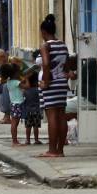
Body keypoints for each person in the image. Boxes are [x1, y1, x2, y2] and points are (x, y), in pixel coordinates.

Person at [38, 14, 70, 158]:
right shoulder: (62, 44)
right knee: (61, 115)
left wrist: (46, 81)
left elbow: (45, 63)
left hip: (51, 84)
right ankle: (60, 150)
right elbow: (67, 63)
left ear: (44, 32)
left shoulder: (46, 45)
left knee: (51, 115)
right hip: (62, 82)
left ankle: (52, 150)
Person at [0, 62, 25, 145]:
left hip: (13, 104)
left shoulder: (9, 82)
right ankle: (14, 141)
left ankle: (14, 140)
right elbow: (26, 86)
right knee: (14, 123)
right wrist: (26, 78)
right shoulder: (16, 82)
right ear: (15, 73)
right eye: (19, 72)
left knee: (14, 123)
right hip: (17, 104)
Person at [20, 66, 43, 145]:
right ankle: (36, 140)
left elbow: (23, 99)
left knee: (28, 126)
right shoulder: (38, 90)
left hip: (28, 110)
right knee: (36, 126)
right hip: (36, 110)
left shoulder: (25, 91)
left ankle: (27, 140)